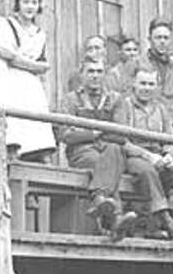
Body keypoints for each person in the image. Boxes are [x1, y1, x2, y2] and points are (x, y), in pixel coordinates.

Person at [117, 68, 173, 241]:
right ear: (134, 83)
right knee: (148, 172)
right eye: (142, 83)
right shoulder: (124, 106)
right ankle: (168, 223)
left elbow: (170, 139)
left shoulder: (161, 109)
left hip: (159, 157)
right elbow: (122, 141)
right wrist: (148, 156)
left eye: (150, 84)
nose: (146, 88)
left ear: (156, 86)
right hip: (134, 157)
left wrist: (169, 155)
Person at [56, 57, 136, 238]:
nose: (95, 76)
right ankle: (115, 219)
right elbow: (65, 135)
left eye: (99, 71)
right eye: (90, 71)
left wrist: (85, 130)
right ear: (82, 74)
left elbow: (121, 134)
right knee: (101, 163)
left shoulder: (116, 99)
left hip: (111, 150)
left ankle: (101, 200)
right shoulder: (70, 100)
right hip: (81, 152)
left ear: (105, 74)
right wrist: (95, 133)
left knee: (114, 152)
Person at [3, 0, 57, 160]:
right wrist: (36, 67)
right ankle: (15, 156)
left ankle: (39, 155)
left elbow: (44, 61)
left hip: (32, 83)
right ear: (18, 3)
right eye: (25, 1)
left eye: (34, 2)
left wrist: (38, 66)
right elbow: (12, 57)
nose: (30, 6)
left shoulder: (40, 33)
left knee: (37, 122)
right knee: (16, 121)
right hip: (13, 78)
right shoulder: (9, 25)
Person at [146, 17, 173, 129]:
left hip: (172, 125)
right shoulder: (139, 65)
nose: (162, 41)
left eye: (166, 38)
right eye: (158, 38)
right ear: (150, 40)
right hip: (148, 125)